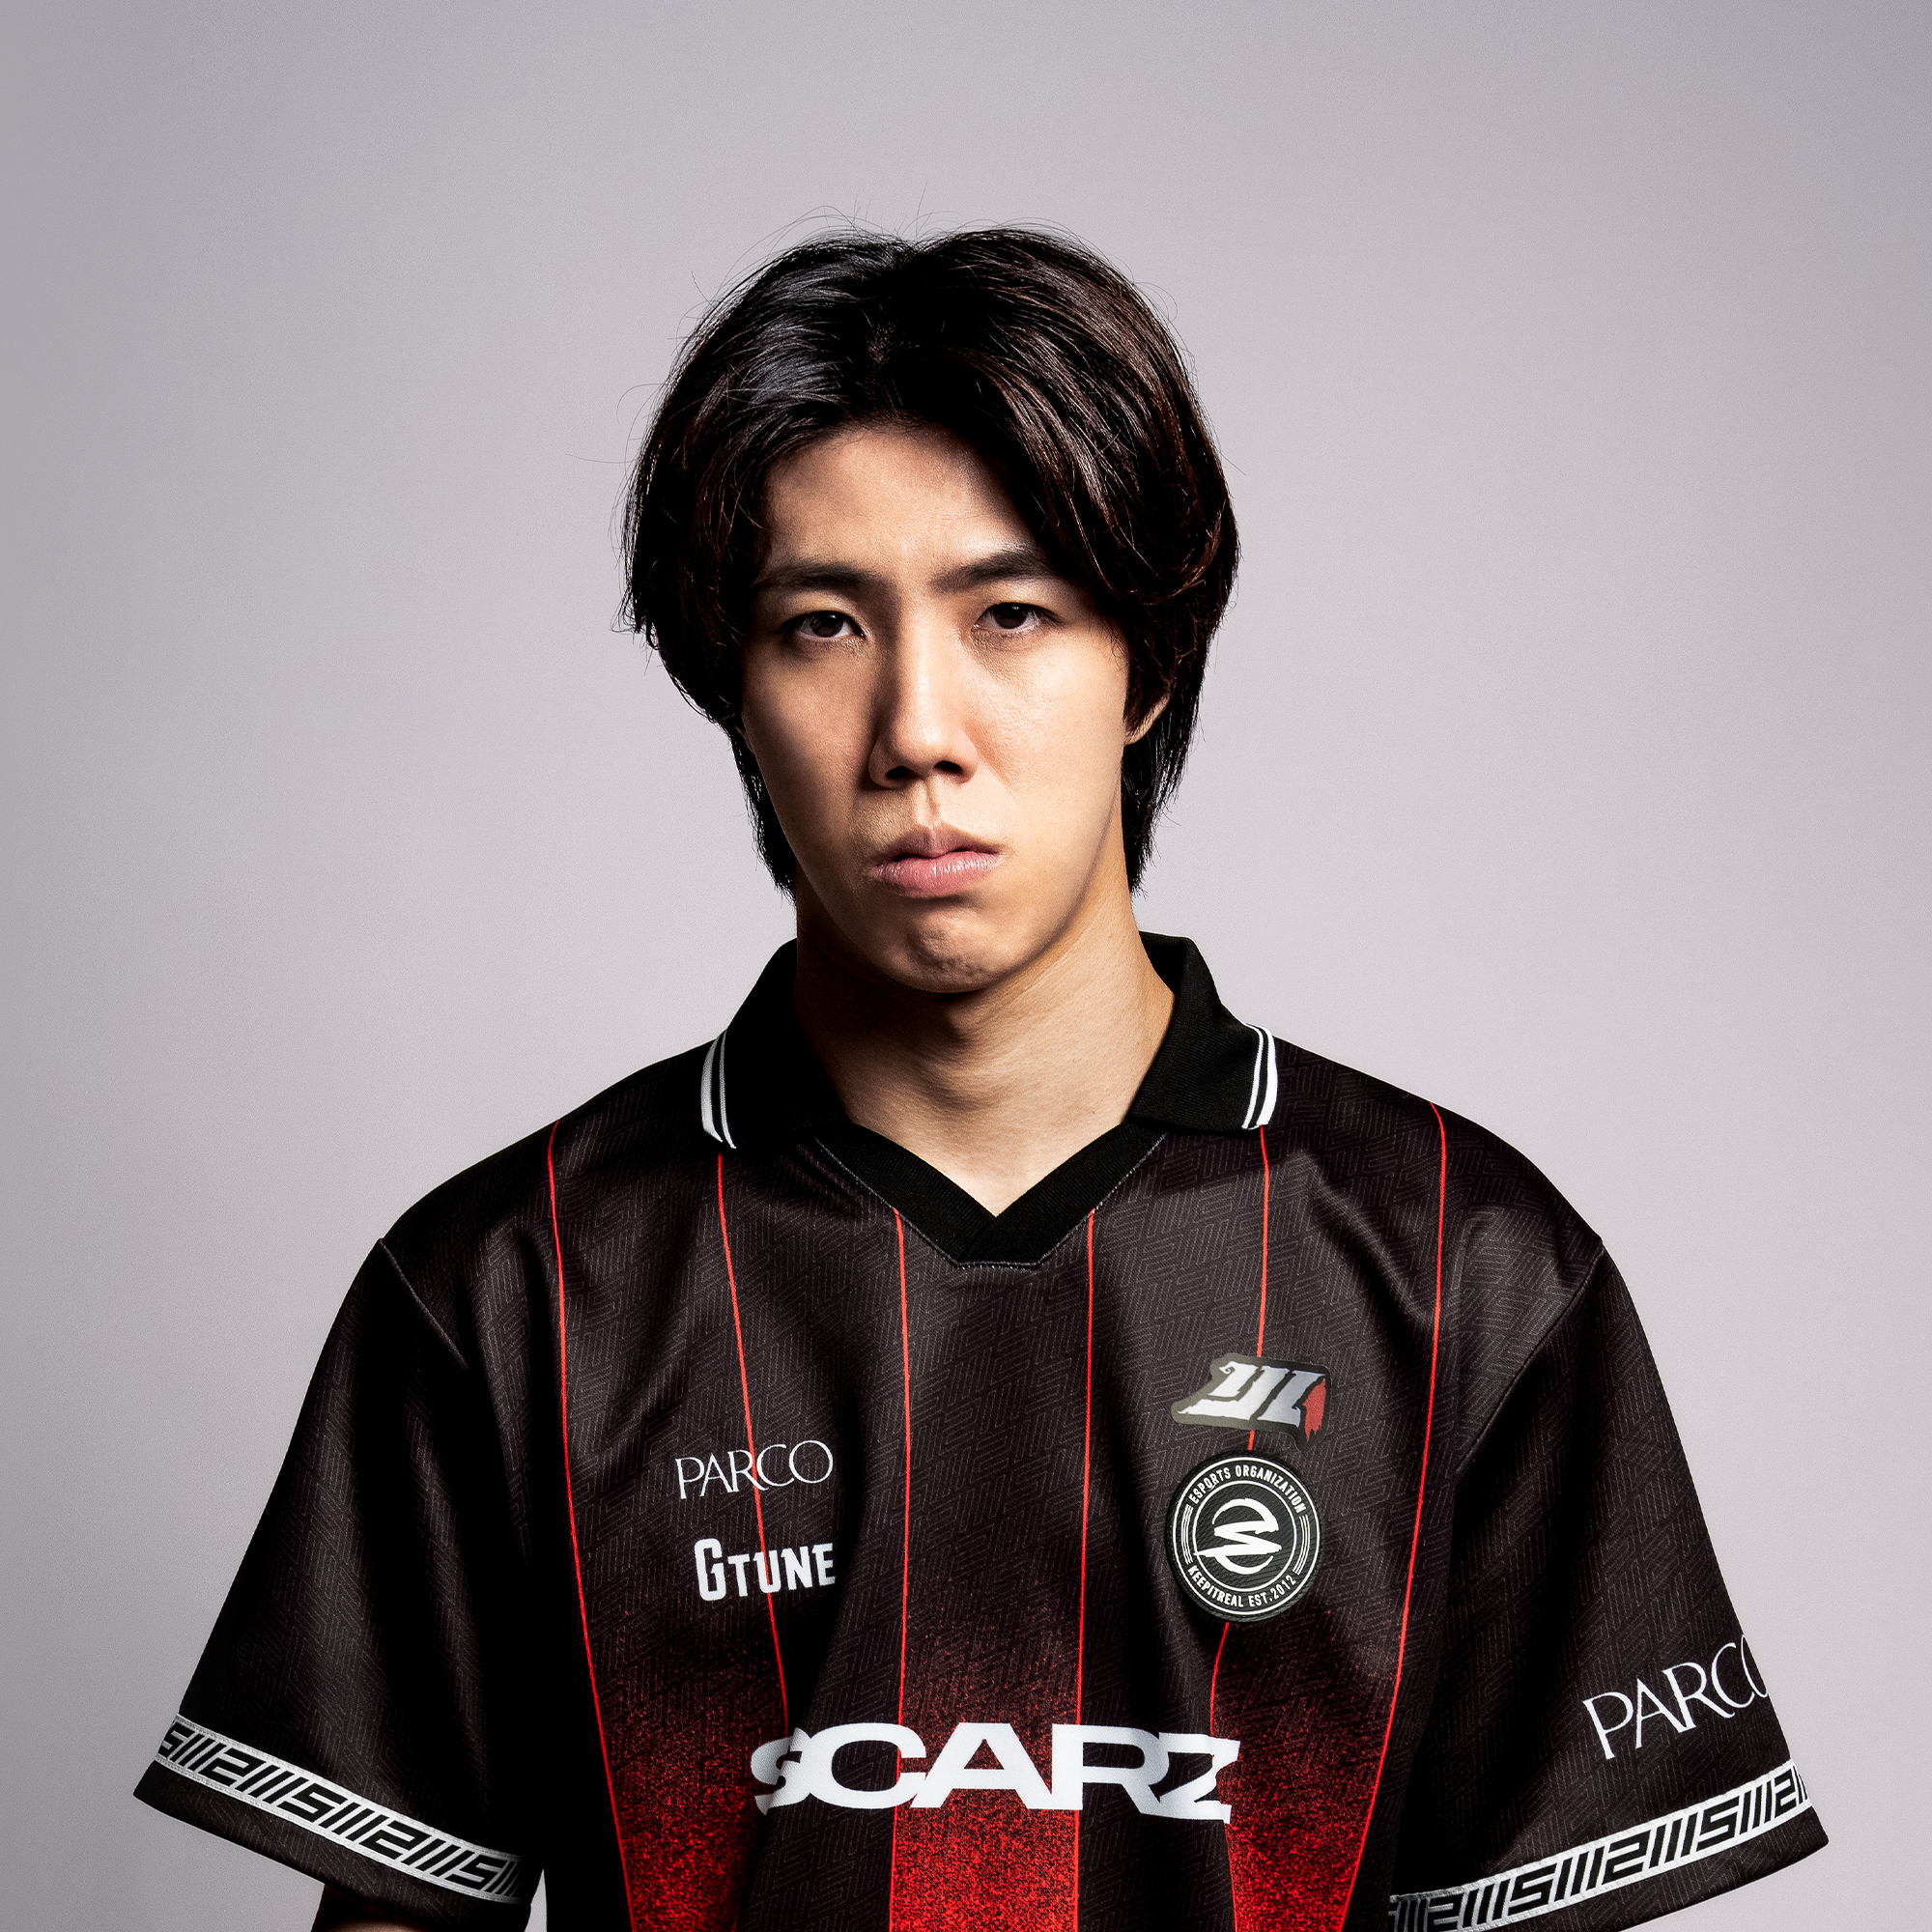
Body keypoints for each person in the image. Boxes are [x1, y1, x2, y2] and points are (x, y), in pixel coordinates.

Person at [136, 228, 1824, 1932]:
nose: (917, 730)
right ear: (733, 687)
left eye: (1010, 614)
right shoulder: (507, 1288)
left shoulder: (1470, 1269)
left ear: (1147, 662)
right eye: (821, 625)